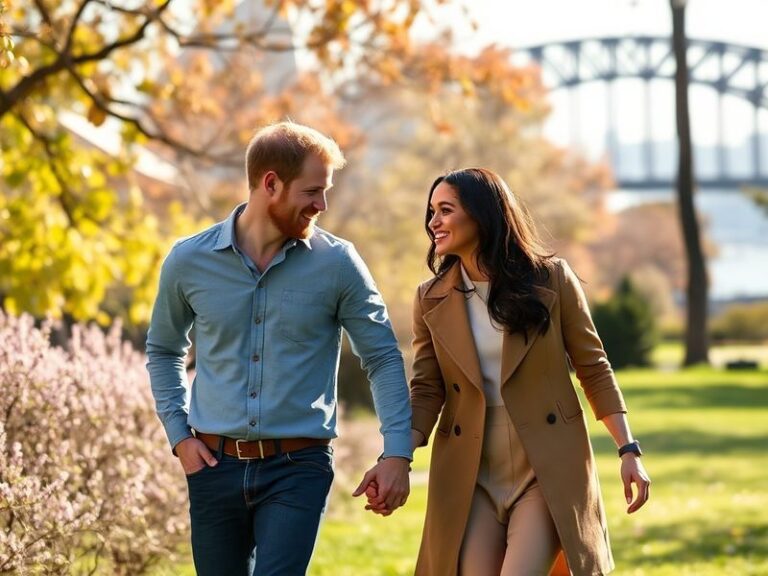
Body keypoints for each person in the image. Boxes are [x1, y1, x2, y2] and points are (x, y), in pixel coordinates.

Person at [146, 121, 412, 576]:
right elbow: (164, 349)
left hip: (298, 466)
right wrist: (180, 437)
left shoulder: (338, 264)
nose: (322, 205)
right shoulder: (188, 261)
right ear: (271, 183)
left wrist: (397, 453)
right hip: (212, 466)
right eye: (313, 191)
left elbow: (382, 356)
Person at [403, 168, 650, 576]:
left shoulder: (551, 279)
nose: (433, 223)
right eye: (431, 212)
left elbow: (594, 367)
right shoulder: (430, 298)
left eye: (445, 210)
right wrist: (398, 456)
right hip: (471, 475)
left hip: (545, 469)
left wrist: (628, 450)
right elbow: (427, 390)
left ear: (483, 215)